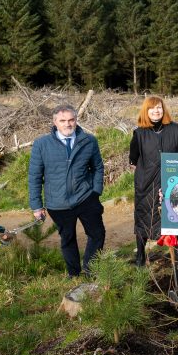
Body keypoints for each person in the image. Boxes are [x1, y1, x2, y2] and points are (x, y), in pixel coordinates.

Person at [28, 104, 106, 278]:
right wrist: (36, 206)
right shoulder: (41, 144)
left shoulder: (89, 141)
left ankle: (90, 270)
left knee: (97, 234)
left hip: (86, 197)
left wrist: (96, 191)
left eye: (71, 120)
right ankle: (74, 273)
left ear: (76, 120)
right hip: (58, 202)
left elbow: (98, 167)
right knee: (68, 238)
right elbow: (34, 176)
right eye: (62, 121)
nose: (68, 124)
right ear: (55, 122)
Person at [128, 96, 178, 266]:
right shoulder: (139, 133)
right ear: (146, 111)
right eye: (152, 108)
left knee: (176, 214)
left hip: (172, 181)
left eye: (159, 107)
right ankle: (140, 254)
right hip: (146, 184)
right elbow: (133, 159)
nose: (156, 111)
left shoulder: (175, 129)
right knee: (144, 217)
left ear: (164, 109)